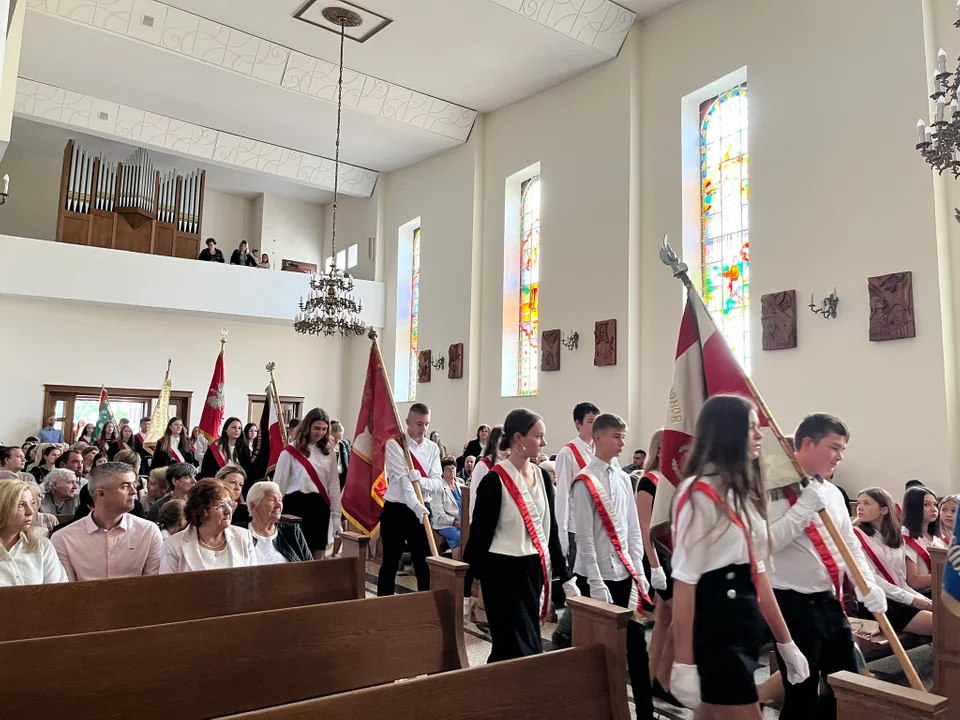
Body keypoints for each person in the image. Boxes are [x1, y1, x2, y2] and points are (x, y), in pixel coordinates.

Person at [670, 395, 809, 714]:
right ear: (727, 432)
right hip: (716, 627)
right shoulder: (698, 495)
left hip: (742, 624)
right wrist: (683, 661)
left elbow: (757, 573)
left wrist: (785, 643)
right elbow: (685, 582)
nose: (760, 433)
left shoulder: (740, 491)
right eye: (751, 427)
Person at [766, 413, 885, 720]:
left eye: (842, 450)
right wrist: (802, 509)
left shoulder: (832, 493)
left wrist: (866, 585)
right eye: (834, 447)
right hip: (791, 602)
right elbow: (764, 546)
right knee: (802, 691)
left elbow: (850, 544)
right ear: (808, 443)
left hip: (829, 601)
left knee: (846, 685)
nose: (839, 457)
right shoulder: (773, 488)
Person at [464, 408, 571, 662]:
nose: (544, 443)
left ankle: (508, 694)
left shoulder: (543, 476)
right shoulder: (494, 481)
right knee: (515, 646)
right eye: (539, 436)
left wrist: (566, 577)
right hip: (501, 572)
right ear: (519, 439)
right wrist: (467, 590)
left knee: (526, 641)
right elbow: (479, 536)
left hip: (533, 570)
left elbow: (550, 529)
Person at [570, 413, 654, 718]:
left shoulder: (623, 477)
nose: (622, 442)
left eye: (624, 436)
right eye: (616, 436)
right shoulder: (585, 481)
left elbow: (633, 529)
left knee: (636, 649)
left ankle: (645, 712)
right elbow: (585, 535)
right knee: (601, 653)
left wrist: (640, 573)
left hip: (625, 575)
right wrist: (594, 580)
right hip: (598, 577)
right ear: (599, 437)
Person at [52, 462, 163, 580]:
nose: (134, 491)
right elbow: (66, 590)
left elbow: (153, 585)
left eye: (134, 485)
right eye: (125, 486)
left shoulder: (148, 531)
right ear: (101, 493)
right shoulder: (63, 538)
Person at [377, 403, 444, 595]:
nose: (423, 429)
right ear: (408, 422)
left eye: (427, 424)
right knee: (390, 562)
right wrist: (416, 506)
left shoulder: (432, 448)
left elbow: (437, 483)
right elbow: (404, 482)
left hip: (423, 508)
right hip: (397, 509)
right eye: (419, 424)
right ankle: (382, 606)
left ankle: (426, 607)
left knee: (424, 564)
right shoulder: (395, 444)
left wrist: (422, 481)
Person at [633, 429, 677, 703]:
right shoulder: (648, 481)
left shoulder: (672, 481)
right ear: (659, 450)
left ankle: (655, 677)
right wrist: (655, 565)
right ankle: (662, 677)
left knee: (665, 618)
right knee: (677, 617)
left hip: (675, 554)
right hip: (659, 557)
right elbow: (644, 526)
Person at [853, 487, 933, 635]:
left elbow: (901, 581)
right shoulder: (855, 536)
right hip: (876, 602)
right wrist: (912, 600)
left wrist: (922, 600)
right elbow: (869, 578)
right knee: (941, 625)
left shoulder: (896, 539)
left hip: (898, 597)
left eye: (866, 503)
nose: (859, 507)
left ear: (884, 510)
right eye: (859, 503)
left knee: (945, 617)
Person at [273, 407, 341, 560]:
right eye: (316, 428)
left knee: (318, 552)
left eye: (324, 429)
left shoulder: (329, 452)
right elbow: (278, 486)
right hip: (295, 507)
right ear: (307, 426)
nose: (320, 432)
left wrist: (337, 517)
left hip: (320, 507)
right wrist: (274, 512)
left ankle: (316, 583)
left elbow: (333, 486)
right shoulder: (290, 452)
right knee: (295, 554)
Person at [160, 479, 257, 572]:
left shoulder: (244, 537)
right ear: (202, 511)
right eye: (222, 506)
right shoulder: (173, 546)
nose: (228, 511)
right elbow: (168, 587)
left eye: (229, 504)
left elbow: (254, 580)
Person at [0, 478, 68, 586]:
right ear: (2, 508)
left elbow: (58, 591)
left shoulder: (42, 546)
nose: (31, 511)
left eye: (32, 503)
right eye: (21, 505)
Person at [247, 480, 312, 563]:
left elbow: (310, 566)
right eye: (272, 500)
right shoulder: (239, 533)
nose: (278, 505)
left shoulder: (291, 531)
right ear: (253, 506)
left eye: (280, 500)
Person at [901, 485, 946, 592]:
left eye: (935, 504)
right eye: (926, 504)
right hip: (924, 595)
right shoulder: (905, 537)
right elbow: (913, 581)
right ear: (913, 508)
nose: (933, 509)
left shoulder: (936, 536)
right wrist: (949, 576)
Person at [470, 426, 506, 520]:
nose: (507, 449)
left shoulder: (510, 466)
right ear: (494, 443)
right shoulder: (483, 466)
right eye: (504, 444)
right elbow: (475, 498)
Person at [432, 458, 464, 560]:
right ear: (442, 472)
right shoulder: (438, 488)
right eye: (447, 469)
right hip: (444, 524)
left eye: (453, 468)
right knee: (459, 537)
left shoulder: (461, 485)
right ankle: (457, 569)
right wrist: (455, 522)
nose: (451, 471)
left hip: (464, 523)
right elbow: (438, 514)